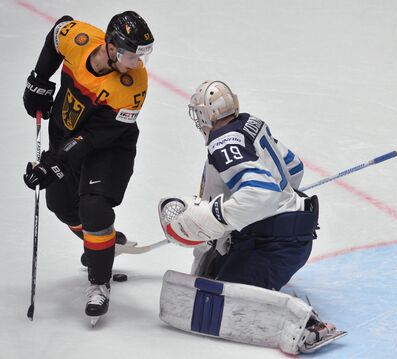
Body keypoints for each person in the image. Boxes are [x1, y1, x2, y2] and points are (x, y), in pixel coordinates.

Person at [157, 80, 346, 353]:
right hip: (287, 236)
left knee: (227, 304)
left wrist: (214, 216)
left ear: (205, 115)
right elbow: (294, 168)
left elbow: (261, 195)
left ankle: (308, 325)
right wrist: (281, 197)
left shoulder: (222, 142)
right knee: (209, 278)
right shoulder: (251, 124)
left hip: (275, 244)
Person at [22, 11, 154, 323]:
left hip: (109, 146)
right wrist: (40, 80)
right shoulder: (80, 39)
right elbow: (57, 32)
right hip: (68, 136)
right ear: (110, 47)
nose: (137, 63)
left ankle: (99, 282)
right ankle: (105, 243)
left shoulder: (132, 86)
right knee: (60, 204)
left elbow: (93, 138)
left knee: (93, 206)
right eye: (130, 55)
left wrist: (53, 163)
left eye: (142, 56)